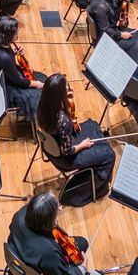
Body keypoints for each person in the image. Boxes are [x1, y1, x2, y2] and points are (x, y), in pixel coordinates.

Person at [36, 73, 118, 206]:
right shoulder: (63, 121)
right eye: (66, 87)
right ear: (60, 95)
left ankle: (97, 154)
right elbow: (67, 151)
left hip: (51, 147)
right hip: (66, 158)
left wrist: (66, 100)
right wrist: (83, 145)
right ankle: (98, 189)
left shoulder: (42, 104)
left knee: (93, 125)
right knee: (109, 155)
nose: (69, 87)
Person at [10, 192, 88, 275]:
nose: (59, 211)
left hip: (23, 259)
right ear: (47, 224)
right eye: (56, 213)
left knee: (82, 243)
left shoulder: (20, 215)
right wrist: (81, 270)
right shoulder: (48, 253)